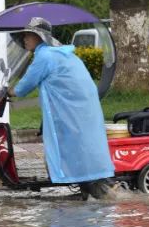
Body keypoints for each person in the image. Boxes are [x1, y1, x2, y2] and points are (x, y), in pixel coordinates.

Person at [6, 17, 117, 200]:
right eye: (25, 35)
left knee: (74, 152)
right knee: (79, 151)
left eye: (28, 35)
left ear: (39, 37)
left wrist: (9, 91)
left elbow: (25, 86)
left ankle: (103, 195)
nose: (25, 39)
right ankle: (91, 191)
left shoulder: (45, 56)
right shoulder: (58, 53)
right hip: (80, 109)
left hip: (73, 111)